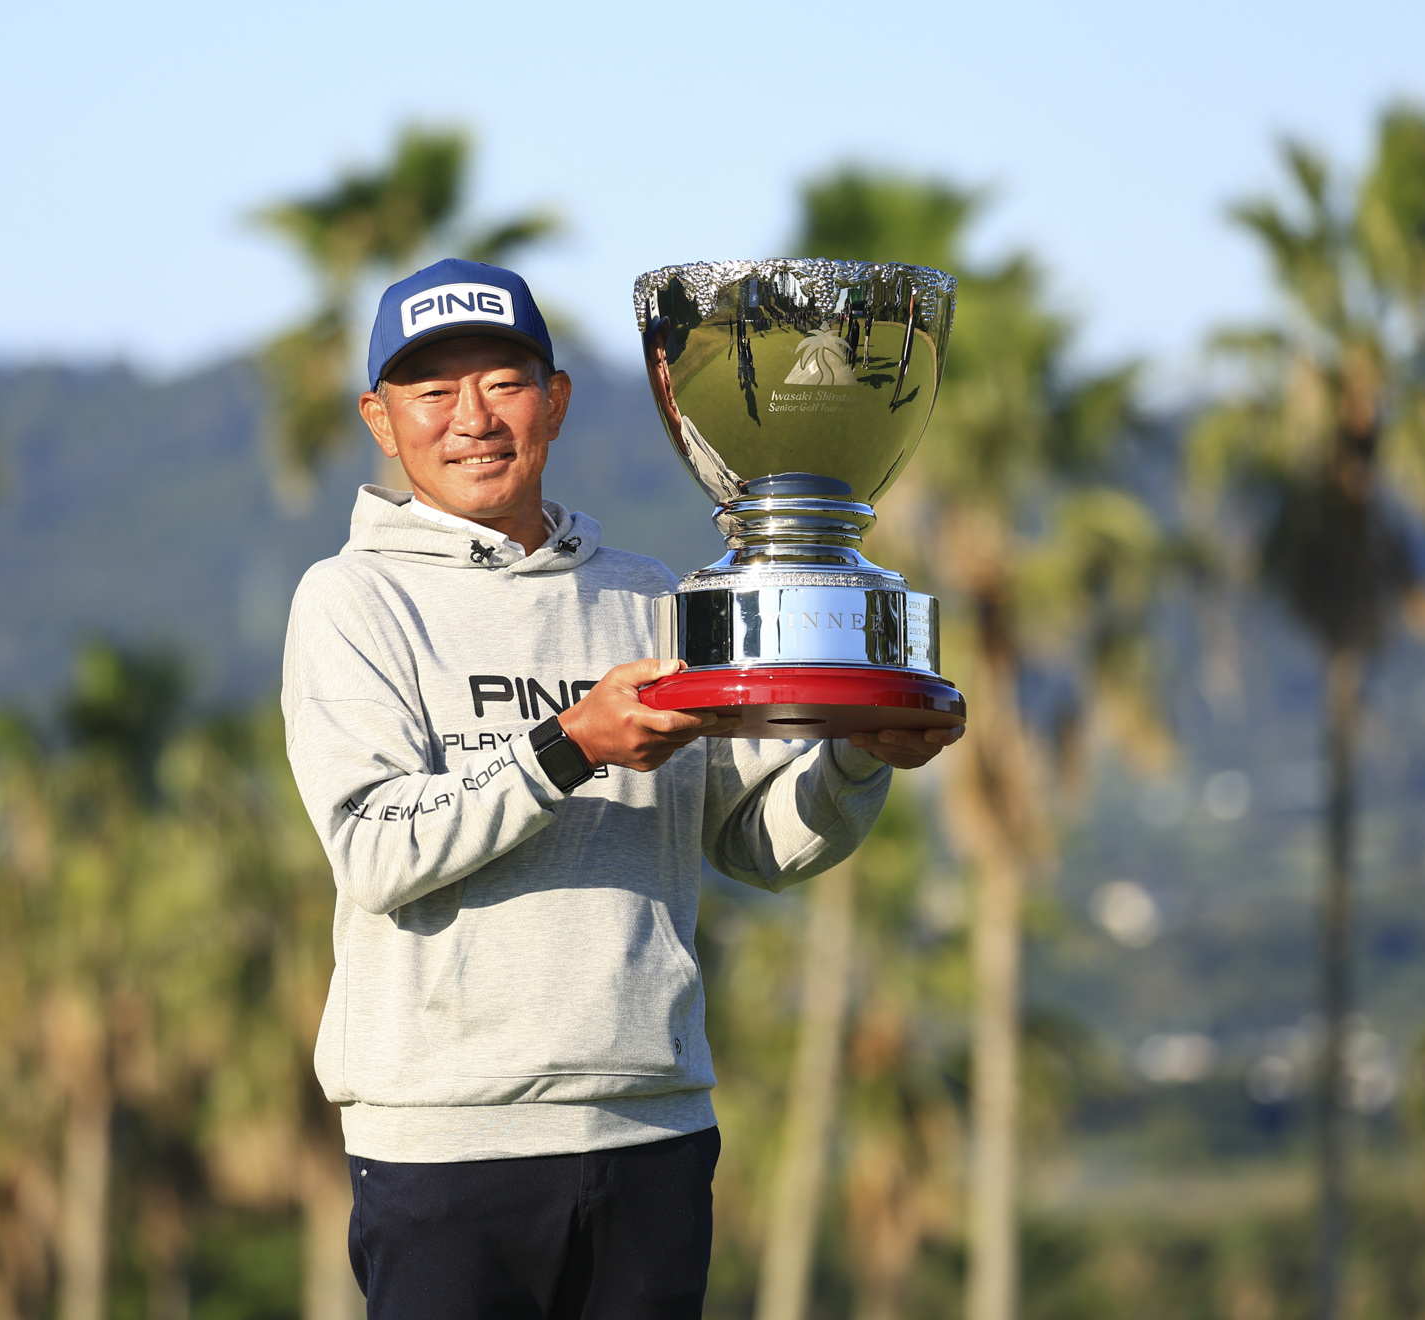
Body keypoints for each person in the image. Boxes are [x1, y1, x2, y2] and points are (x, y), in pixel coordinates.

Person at [279, 258, 960, 1319]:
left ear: (553, 400)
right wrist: (570, 745)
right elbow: (376, 851)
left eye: (503, 383)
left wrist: (859, 755)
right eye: (432, 391)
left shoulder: (649, 595)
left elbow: (756, 845)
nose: (473, 420)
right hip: (446, 1140)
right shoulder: (351, 600)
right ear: (380, 417)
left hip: (653, 1130)